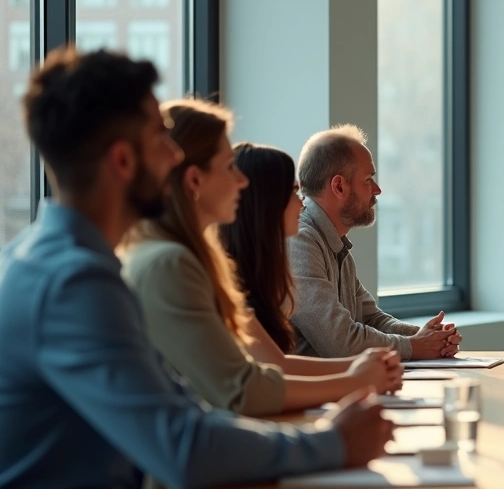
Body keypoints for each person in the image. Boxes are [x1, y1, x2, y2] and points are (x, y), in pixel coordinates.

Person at [0, 47, 389, 488]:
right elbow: (184, 445)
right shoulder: (74, 284)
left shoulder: (52, 261)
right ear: (123, 161)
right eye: (161, 137)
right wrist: (332, 443)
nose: (174, 155)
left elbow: (184, 410)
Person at [123, 100, 402, 417]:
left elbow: (274, 366)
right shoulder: (170, 264)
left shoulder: (194, 260)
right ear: (194, 181)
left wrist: (362, 371)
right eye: (230, 167)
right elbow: (244, 390)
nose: (242, 182)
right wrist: (354, 381)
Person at [290, 125, 461, 358]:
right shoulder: (299, 241)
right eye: (368, 180)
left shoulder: (336, 246)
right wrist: (415, 345)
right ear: (339, 186)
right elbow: (339, 341)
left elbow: (372, 319)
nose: (377, 190)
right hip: (316, 393)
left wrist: (427, 336)